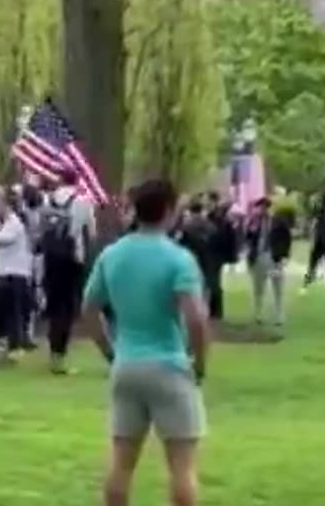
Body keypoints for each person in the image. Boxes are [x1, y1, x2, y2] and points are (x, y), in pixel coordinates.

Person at [80, 178, 209, 506]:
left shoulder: (113, 255)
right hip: (168, 363)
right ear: (168, 210)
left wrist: (110, 350)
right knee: (181, 467)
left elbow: (89, 309)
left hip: (127, 364)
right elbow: (195, 318)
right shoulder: (178, 259)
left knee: (122, 464)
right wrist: (199, 361)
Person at [38, 171, 95, 374]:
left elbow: (41, 226)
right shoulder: (82, 201)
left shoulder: (48, 199)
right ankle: (60, 356)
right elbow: (92, 231)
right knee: (67, 308)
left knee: (54, 306)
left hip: (51, 257)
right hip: (72, 258)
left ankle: (52, 353)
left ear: (60, 180)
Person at [0, 189, 34, 356]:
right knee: (7, 311)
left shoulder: (14, 223)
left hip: (15, 274)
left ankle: (16, 345)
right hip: (6, 272)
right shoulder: (6, 223)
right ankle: (9, 342)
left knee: (14, 312)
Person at [245, 199, 291, 327]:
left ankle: (279, 315)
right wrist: (250, 230)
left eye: (265, 207)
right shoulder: (254, 221)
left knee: (278, 287)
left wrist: (284, 256)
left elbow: (286, 239)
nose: (262, 210)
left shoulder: (278, 222)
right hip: (259, 256)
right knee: (258, 287)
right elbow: (247, 239)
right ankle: (258, 314)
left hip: (274, 257)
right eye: (260, 207)